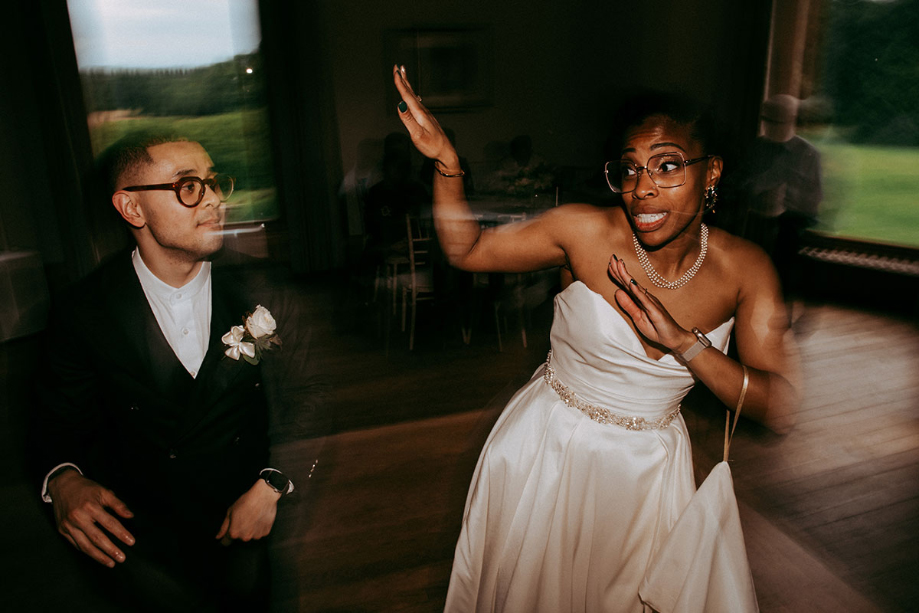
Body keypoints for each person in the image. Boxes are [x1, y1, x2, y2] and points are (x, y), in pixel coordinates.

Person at [394, 65, 798, 612]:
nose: (643, 187)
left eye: (668, 165)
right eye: (630, 170)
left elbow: (777, 405)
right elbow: (469, 250)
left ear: (712, 172)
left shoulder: (746, 270)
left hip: (648, 476)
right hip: (548, 450)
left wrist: (687, 344)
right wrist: (448, 164)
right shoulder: (583, 232)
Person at [31, 132, 324, 612]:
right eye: (188, 186)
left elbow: (312, 394)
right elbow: (53, 420)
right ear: (132, 209)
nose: (212, 200)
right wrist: (62, 477)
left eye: (213, 183)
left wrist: (273, 483)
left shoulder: (263, 288)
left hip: (244, 527)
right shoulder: (83, 311)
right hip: (139, 545)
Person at [737, 94, 823, 298]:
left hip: (789, 224)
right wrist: (766, 181)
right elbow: (739, 184)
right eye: (768, 121)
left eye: (779, 122)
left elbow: (814, 196)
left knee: (781, 272)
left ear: (792, 121)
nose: (772, 126)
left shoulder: (807, 153)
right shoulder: (756, 148)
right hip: (755, 220)